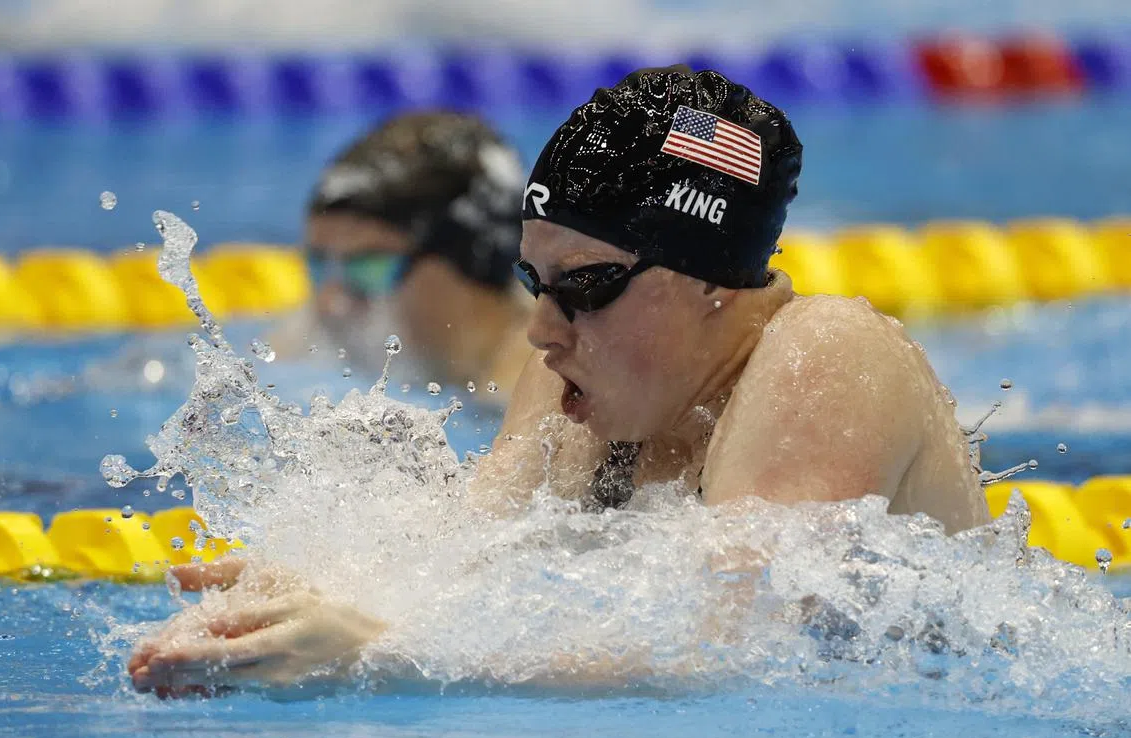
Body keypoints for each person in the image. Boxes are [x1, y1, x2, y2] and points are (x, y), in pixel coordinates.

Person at [128, 66, 989, 697]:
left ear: (712, 284)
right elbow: (467, 553)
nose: (540, 330)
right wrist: (322, 595)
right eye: (536, 283)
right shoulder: (581, 383)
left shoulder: (826, 354)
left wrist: (379, 647)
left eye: (586, 286)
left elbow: (727, 648)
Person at [270, 110, 534, 401]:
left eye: (369, 267)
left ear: (476, 263)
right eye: (319, 264)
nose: (331, 304)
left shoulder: (538, 390)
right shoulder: (305, 335)